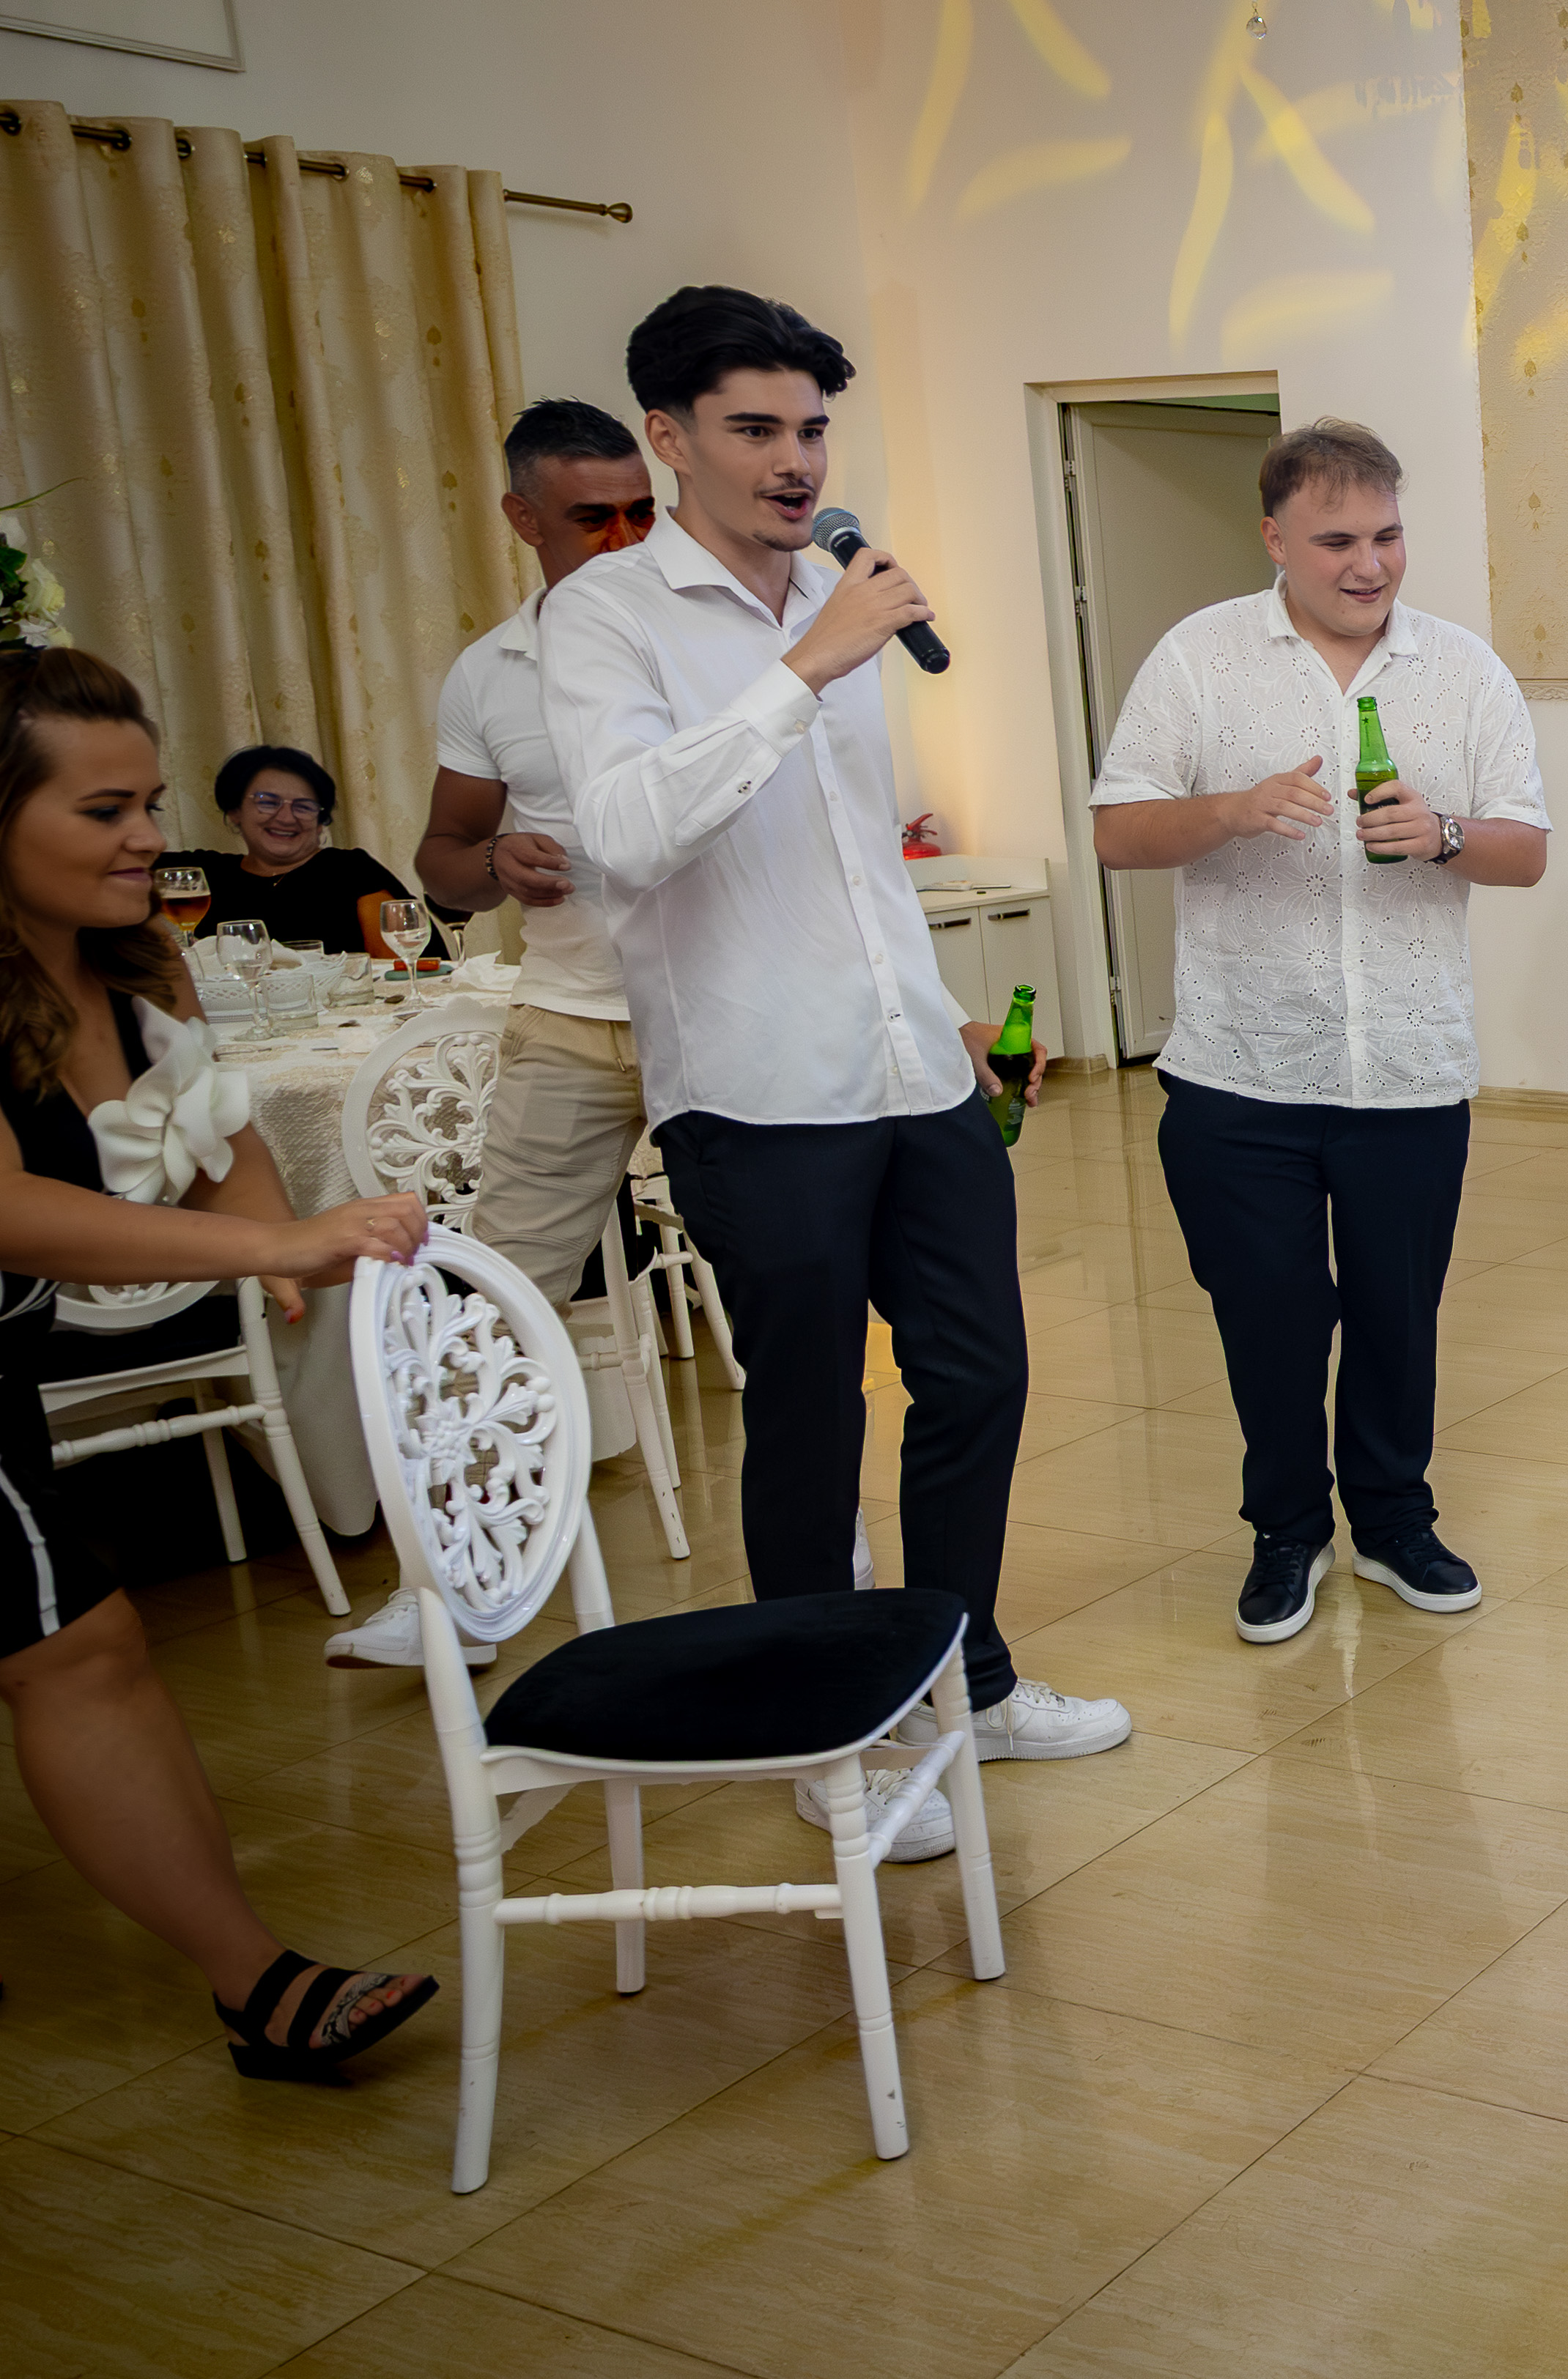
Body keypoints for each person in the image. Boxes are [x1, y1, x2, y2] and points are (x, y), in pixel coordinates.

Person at [545, 285, 1128, 1850]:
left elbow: (855, 858)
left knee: (980, 1377)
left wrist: (939, 1012)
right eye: (755, 428)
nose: (795, 460)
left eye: (811, 428)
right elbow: (625, 834)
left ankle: (966, 1679)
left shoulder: (837, 595)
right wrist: (802, 666)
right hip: (753, 1087)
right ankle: (827, 1735)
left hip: (908, 1069)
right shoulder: (609, 618)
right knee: (807, 1418)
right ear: (668, 439)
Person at [0, 645, 438, 2079]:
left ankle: (256, 1984)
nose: (148, 837)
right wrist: (270, 1246)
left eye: (146, 803)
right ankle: (257, 1985)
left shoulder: (130, 966)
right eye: (103, 811)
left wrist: (281, 1250)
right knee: (82, 1654)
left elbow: (218, 1127)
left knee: (77, 1654)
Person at [1089, 418, 1550, 1645]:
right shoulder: (1199, 659)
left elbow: (1526, 850)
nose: (1369, 563)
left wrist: (1444, 834)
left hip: (1406, 1067)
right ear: (1274, 538)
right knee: (1272, 1318)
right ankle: (1286, 1530)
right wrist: (1232, 810)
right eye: (1337, 540)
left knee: (1399, 1315)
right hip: (1240, 1069)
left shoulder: (1463, 670)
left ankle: (1394, 1520)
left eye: (1386, 535)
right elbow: (1116, 831)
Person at [320, 401, 668, 1676]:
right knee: (489, 1303)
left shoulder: (707, 641)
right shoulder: (490, 673)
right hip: (566, 1017)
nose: (626, 537)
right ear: (524, 519)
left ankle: (826, 1576)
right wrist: (493, 862)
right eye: (593, 517)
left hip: (717, 1023)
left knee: (783, 1300)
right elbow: (442, 859)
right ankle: (456, 1589)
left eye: (642, 511)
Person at [160, 745, 418, 953]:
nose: (286, 818)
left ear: (320, 822)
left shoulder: (352, 871)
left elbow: (396, 974)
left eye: (304, 806)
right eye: (267, 802)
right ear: (235, 811)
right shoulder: (202, 876)